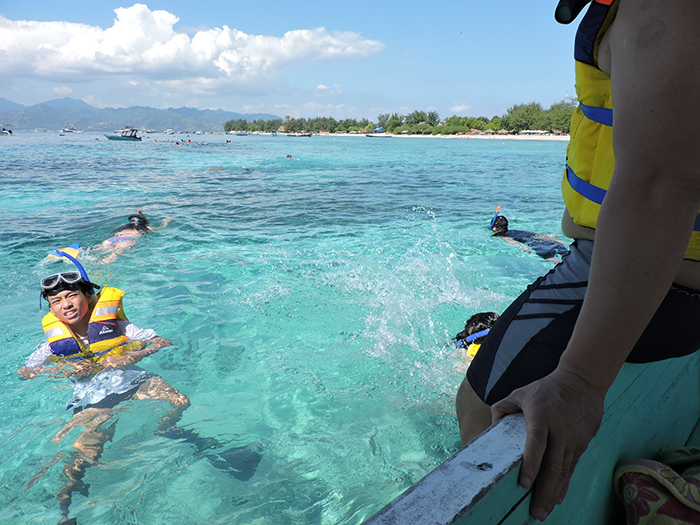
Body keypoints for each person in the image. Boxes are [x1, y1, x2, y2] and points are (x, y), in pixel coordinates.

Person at [456, 0, 700, 521]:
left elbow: (661, 184)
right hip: (668, 280)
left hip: (649, 280)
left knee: (479, 405)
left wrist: (580, 381)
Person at [19, 255, 260, 524]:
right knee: (86, 453)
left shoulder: (117, 326)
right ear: (51, 310)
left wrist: (129, 356)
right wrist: (63, 370)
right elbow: (26, 374)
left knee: (180, 401)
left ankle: (165, 428)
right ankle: (64, 511)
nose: (66, 305)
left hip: (134, 381)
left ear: (89, 296)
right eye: (57, 301)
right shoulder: (51, 346)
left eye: (72, 296)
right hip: (94, 397)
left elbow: (160, 341)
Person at [95, 211, 171, 263]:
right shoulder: (147, 228)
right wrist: (166, 221)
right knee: (114, 255)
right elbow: (162, 227)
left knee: (100, 250)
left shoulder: (122, 227)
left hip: (112, 240)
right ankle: (100, 267)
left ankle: (89, 259)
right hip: (128, 240)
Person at [491, 215, 569, 262]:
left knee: (553, 260)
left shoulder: (499, 235)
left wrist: (523, 248)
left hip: (535, 245)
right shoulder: (517, 231)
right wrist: (561, 242)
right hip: (545, 242)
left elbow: (510, 241)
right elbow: (540, 236)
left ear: (494, 228)